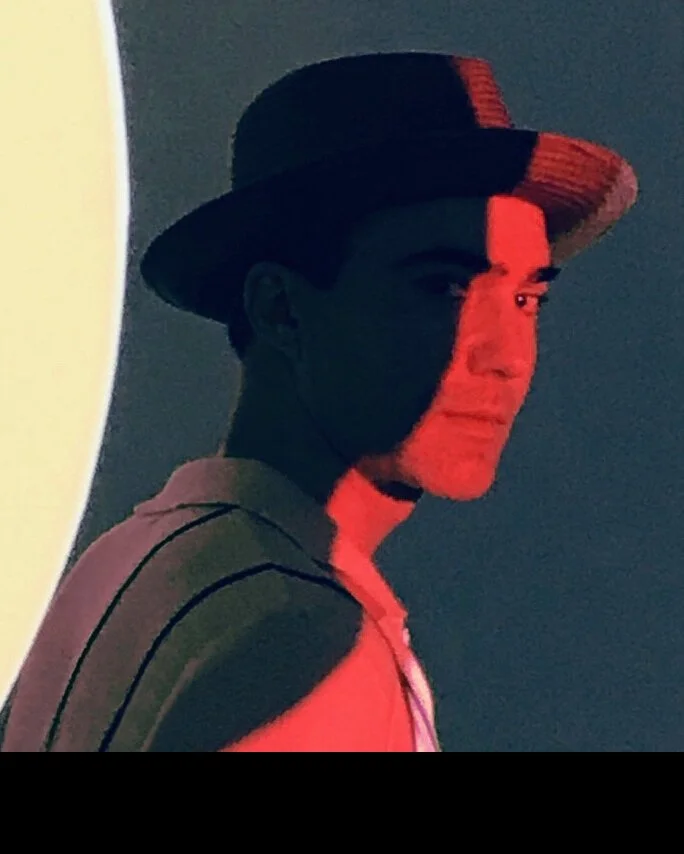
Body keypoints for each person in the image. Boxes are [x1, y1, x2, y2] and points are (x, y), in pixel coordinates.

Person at [0, 52, 638, 752]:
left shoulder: (128, 564)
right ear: (281, 309)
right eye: (446, 288)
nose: (506, 356)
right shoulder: (303, 634)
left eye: (525, 299)